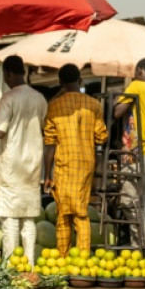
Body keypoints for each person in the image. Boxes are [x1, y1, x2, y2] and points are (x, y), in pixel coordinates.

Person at [43, 64, 108, 255]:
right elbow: (101, 136)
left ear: (61, 82)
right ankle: (83, 257)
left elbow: (49, 144)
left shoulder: (55, 106)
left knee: (63, 214)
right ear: (80, 80)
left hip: (63, 165)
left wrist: (47, 174)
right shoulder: (94, 105)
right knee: (81, 212)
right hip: (86, 165)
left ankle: (63, 256)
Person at [0, 55, 46, 268]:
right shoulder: (40, 98)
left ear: (9, 73)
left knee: (9, 218)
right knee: (28, 218)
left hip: (12, 165)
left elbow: (0, 132)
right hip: (32, 164)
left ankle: (9, 266)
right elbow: (40, 126)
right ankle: (29, 265)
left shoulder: (9, 98)